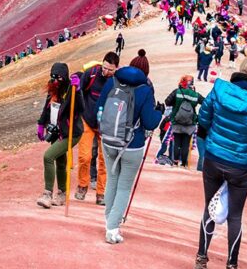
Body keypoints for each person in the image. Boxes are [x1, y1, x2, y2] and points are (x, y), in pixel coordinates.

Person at [192, 47, 247, 269]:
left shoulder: (219, 90)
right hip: (240, 166)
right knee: (235, 216)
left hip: (214, 159)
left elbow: (204, 119)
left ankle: (200, 260)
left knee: (209, 208)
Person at [95, 52, 162, 242]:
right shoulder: (145, 90)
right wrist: (159, 112)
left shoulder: (112, 82)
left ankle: (110, 219)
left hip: (108, 140)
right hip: (132, 145)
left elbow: (98, 108)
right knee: (124, 187)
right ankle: (112, 228)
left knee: (112, 180)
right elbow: (149, 123)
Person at [35, 62, 84, 208]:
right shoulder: (53, 87)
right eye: (53, 77)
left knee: (48, 156)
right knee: (60, 162)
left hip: (70, 132)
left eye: (59, 78)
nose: (55, 80)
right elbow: (47, 107)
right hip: (57, 130)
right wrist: (41, 124)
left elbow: (81, 108)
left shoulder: (71, 89)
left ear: (65, 77)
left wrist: (78, 90)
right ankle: (62, 193)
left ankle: (47, 194)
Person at [75, 52, 119, 205]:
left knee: (104, 161)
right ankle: (82, 185)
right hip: (87, 120)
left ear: (116, 69)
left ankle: (101, 193)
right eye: (105, 68)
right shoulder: (92, 74)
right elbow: (79, 87)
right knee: (84, 156)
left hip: (106, 126)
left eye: (110, 70)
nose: (106, 72)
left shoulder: (117, 82)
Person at [165, 76, 202, 167]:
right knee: (186, 144)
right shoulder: (196, 94)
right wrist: (197, 117)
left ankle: (175, 162)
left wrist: (176, 103)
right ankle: (184, 164)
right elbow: (205, 103)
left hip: (177, 121)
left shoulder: (177, 91)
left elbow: (167, 102)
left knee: (177, 142)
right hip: (190, 123)